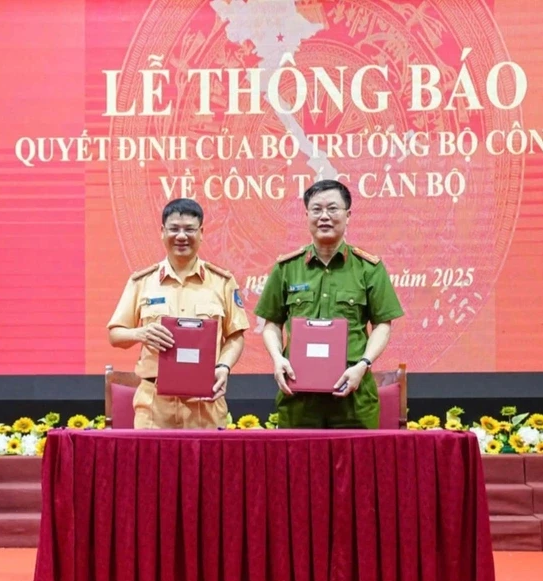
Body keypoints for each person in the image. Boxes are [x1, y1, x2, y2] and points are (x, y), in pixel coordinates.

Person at [254, 179, 404, 429]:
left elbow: (383, 325)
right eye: (317, 209)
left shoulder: (368, 268)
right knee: (298, 456)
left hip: (353, 395)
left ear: (348, 215)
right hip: (299, 396)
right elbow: (272, 323)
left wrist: (363, 365)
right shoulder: (287, 267)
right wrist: (277, 359)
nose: (324, 216)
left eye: (333, 208)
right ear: (306, 215)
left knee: (356, 457)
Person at [108, 198, 250, 429]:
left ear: (202, 233)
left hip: (205, 405)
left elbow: (236, 335)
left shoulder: (222, 281)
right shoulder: (142, 281)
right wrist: (141, 333)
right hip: (154, 406)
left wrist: (223, 367)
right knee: (152, 455)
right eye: (174, 229)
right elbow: (115, 335)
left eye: (189, 229)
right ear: (162, 232)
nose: (181, 236)